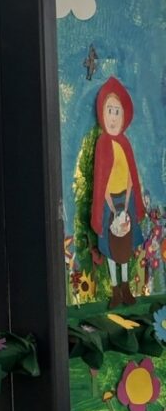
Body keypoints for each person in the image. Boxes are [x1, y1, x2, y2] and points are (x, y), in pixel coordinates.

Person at [91, 76, 145, 306]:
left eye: (117, 111)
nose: (113, 117)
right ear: (102, 113)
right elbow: (101, 182)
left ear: (124, 115)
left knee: (125, 245)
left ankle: (125, 287)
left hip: (126, 200)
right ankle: (114, 289)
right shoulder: (102, 144)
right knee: (111, 247)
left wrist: (129, 202)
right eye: (109, 110)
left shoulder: (125, 144)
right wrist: (112, 209)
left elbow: (132, 177)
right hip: (109, 204)